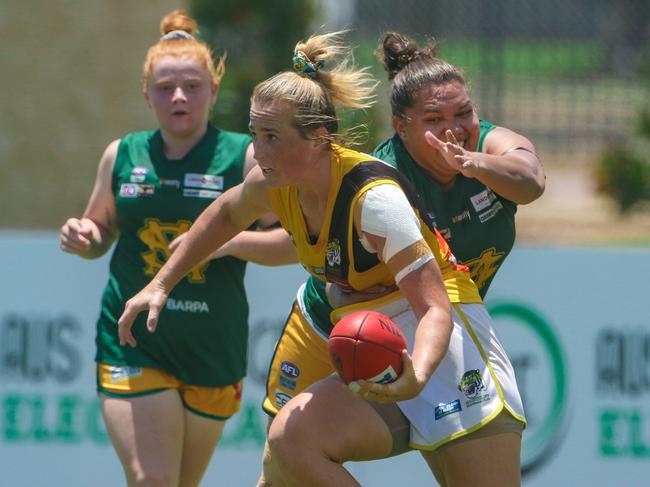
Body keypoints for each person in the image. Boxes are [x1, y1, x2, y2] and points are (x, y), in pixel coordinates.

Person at [117, 30, 526, 487]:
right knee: (289, 443)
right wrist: (161, 284)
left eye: (271, 136)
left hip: (439, 329)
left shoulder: (374, 200)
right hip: (354, 320)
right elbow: (225, 212)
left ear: (318, 138)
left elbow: (433, 307)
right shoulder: (274, 181)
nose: (257, 151)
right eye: (254, 134)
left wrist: (418, 377)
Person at [256, 30, 543, 484]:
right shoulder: (381, 180)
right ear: (400, 126)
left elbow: (531, 182)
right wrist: (227, 247)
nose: (453, 128)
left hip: (430, 324)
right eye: (434, 118)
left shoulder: (486, 147)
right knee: (284, 458)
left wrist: (471, 163)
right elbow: (309, 246)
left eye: (463, 112)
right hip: (337, 321)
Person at [58, 10, 275, 486]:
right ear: (146, 94)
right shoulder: (123, 154)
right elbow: (100, 228)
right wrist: (85, 236)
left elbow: (291, 244)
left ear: (214, 91)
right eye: (165, 87)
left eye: (193, 85)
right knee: (152, 479)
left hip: (212, 349)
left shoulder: (245, 156)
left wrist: (224, 242)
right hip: (134, 340)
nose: (179, 96)